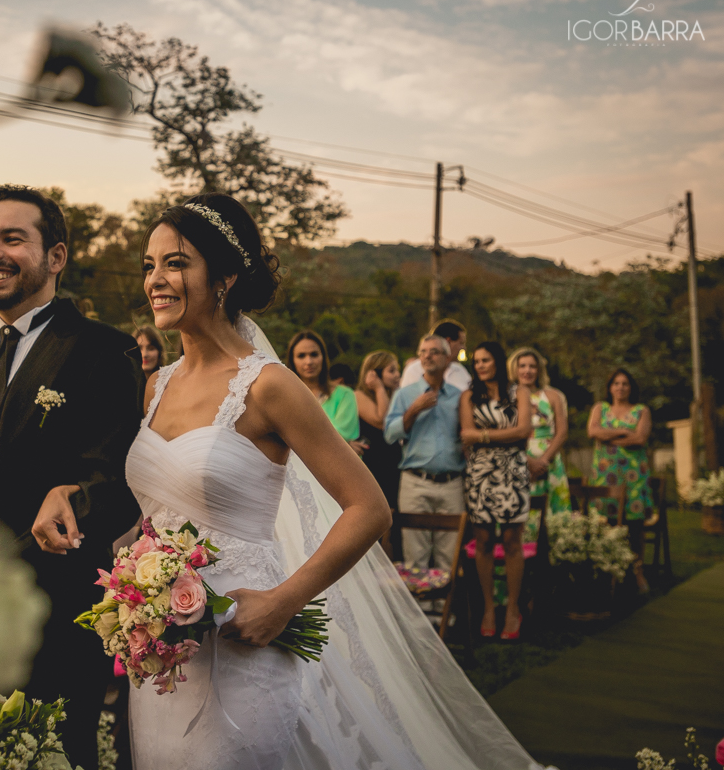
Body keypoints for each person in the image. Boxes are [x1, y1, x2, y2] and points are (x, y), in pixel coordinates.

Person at [127, 194, 547, 770]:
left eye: (176, 263)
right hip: (164, 655)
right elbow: (156, 514)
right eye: (149, 265)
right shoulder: (156, 386)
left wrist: (283, 602)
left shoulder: (269, 386)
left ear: (224, 277)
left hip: (245, 642)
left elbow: (369, 508)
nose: (155, 279)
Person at [0, 185, 145, 770]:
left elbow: (122, 480)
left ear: (56, 257)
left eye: (11, 238)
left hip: (54, 622)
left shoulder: (103, 350)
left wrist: (76, 496)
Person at [460, 341, 532, 641]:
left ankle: (513, 609)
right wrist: (503, 435)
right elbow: (465, 434)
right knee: (484, 541)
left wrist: (484, 435)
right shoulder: (468, 396)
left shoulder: (520, 393)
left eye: (485, 360)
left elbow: (524, 430)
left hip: (513, 473)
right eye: (476, 361)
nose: (480, 365)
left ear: (498, 362)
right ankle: (489, 609)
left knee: (513, 541)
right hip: (480, 475)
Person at [384, 335, 466, 574]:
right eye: (423, 352)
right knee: (415, 558)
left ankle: (445, 601)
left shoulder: (460, 397)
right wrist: (414, 409)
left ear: (447, 358)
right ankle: (416, 601)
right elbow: (389, 435)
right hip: (415, 483)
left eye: (434, 351)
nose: (427, 356)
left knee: (448, 558)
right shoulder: (405, 395)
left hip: (452, 484)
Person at [587, 367, 652, 594]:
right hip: (605, 475)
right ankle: (606, 569)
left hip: (633, 475)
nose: (621, 387)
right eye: (616, 383)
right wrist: (625, 432)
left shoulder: (641, 410)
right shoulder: (600, 408)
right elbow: (592, 432)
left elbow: (640, 438)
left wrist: (609, 436)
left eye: (625, 383)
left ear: (631, 388)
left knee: (635, 524)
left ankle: (637, 570)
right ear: (610, 387)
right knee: (605, 521)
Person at [508, 347, 570, 513]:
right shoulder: (507, 398)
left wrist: (543, 461)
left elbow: (562, 432)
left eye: (532, 366)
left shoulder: (553, 396)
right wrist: (528, 462)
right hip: (517, 460)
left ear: (539, 370)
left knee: (552, 515)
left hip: (549, 461)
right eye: (522, 366)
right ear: (514, 369)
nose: (527, 370)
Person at [286, 330, 363, 454]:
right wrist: (343, 444)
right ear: (292, 360)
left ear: (323, 357)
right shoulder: (285, 397)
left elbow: (341, 435)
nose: (309, 361)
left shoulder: (344, 394)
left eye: (314, 354)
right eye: (301, 356)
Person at [355, 350, 402, 545]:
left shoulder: (395, 396)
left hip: (392, 464)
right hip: (374, 464)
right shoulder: (358, 395)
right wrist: (379, 388)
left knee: (393, 518)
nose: (398, 375)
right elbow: (382, 421)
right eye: (392, 370)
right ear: (374, 373)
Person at [400, 318, 472, 391]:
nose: (464, 348)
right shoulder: (413, 371)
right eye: (461, 343)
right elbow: (406, 397)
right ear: (448, 342)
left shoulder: (460, 371)